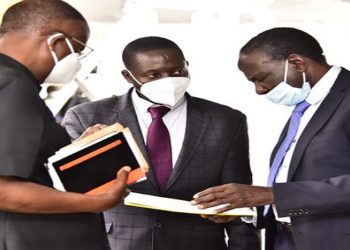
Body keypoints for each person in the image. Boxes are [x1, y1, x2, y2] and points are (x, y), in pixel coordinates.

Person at [63, 36, 261, 250]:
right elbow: (69, 192)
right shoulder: (87, 117)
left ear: (187, 66)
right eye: (154, 75)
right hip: (116, 243)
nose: (168, 80)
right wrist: (81, 155)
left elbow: (240, 199)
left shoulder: (226, 120)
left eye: (177, 71)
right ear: (128, 77)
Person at [191, 27, 350, 250]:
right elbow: (296, 180)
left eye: (261, 78)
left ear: (297, 63)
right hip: (286, 240)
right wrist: (249, 210)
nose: (259, 90)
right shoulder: (305, 108)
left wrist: (270, 195)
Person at [0, 1, 130, 250]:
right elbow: (3, 190)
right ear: (56, 42)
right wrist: (98, 202)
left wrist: (74, 151)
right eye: (77, 51)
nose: (77, 61)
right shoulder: (12, 85)